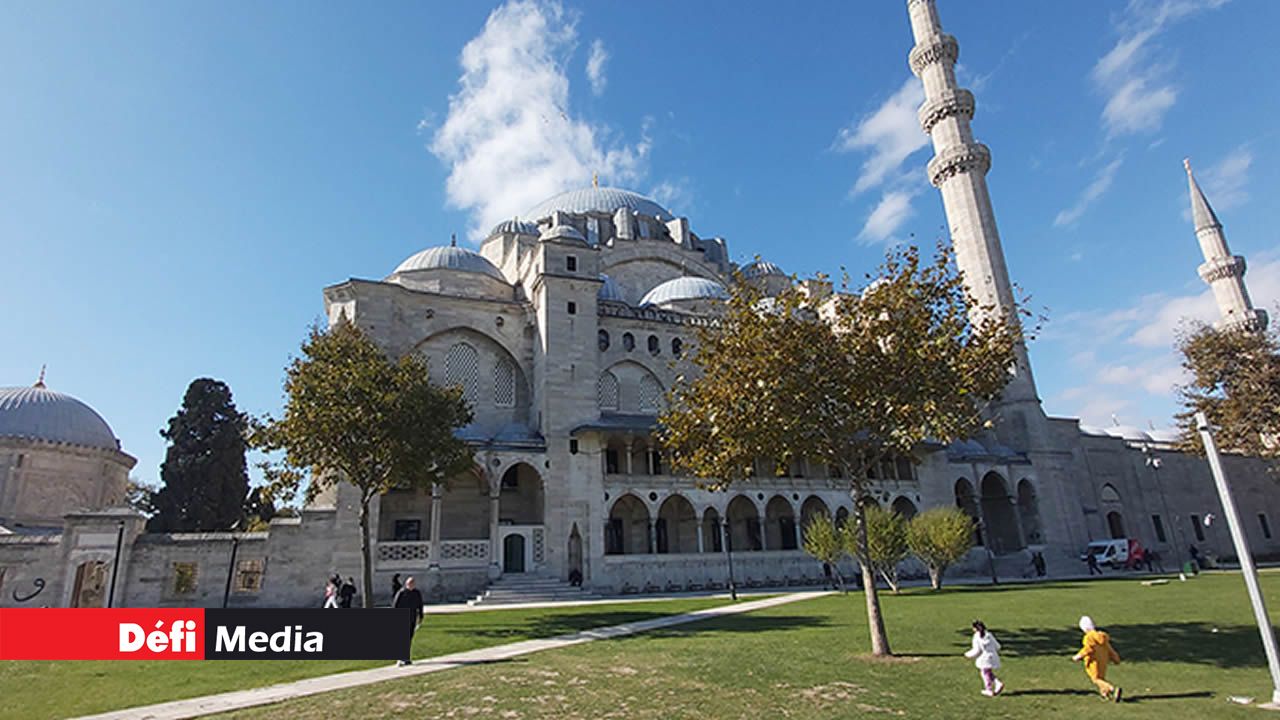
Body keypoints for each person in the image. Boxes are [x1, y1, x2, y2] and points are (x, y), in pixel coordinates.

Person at [1072, 615, 1122, 702]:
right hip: (1103, 661)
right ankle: (1105, 694)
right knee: (1101, 678)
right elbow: (1110, 649)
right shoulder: (1102, 637)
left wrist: (1078, 656)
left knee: (1096, 679)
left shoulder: (1089, 637)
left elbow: (1088, 649)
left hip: (1094, 662)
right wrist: (1115, 658)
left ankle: (1112, 689)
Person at [963, 620, 1004, 697]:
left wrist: (967, 654)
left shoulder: (976, 637)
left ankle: (989, 689)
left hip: (984, 658)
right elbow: (998, 646)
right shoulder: (989, 635)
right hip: (993, 656)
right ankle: (997, 683)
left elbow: (977, 650)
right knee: (988, 672)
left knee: (984, 673)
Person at [392, 576, 424, 666]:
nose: (411, 585)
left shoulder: (416, 593)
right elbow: (395, 606)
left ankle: (406, 657)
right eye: (410, 583)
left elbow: (420, 605)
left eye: (413, 583)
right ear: (406, 584)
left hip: (412, 617)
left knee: (409, 638)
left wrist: (421, 616)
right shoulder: (401, 593)